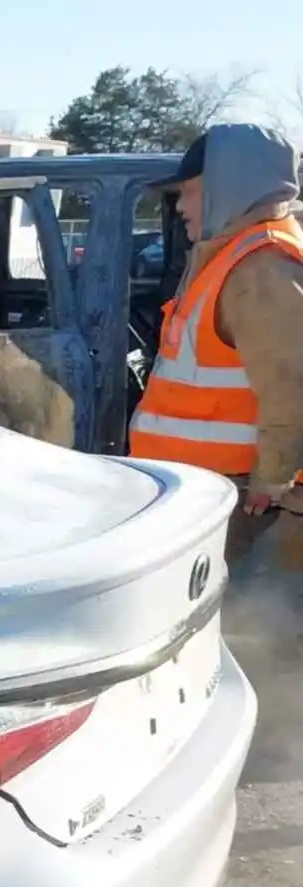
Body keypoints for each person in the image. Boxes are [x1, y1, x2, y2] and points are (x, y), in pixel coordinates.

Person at [130, 124, 303, 566]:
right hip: (212, 490)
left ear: (231, 188)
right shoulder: (230, 255)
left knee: (236, 628)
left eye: (189, 191)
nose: (180, 205)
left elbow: (293, 387)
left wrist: (270, 481)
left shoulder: (261, 266)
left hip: (243, 501)